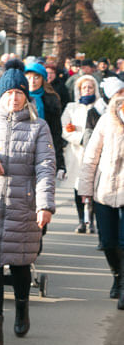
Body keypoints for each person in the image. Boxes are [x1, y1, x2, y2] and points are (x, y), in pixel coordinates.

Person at [0, 68, 56, 345]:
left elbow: (45, 167)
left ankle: (22, 306)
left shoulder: (38, 127)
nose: (14, 97)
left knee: (20, 262)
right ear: (0, 95)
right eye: (9, 92)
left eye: (19, 92)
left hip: (24, 205)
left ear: (26, 96)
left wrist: (45, 205)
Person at [79, 84, 124, 309]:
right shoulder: (106, 121)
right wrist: (85, 189)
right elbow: (91, 156)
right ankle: (117, 274)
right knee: (108, 242)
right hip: (104, 191)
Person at [61, 74, 100, 233]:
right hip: (77, 152)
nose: (87, 90)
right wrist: (81, 138)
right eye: (84, 87)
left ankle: (91, 220)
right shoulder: (72, 107)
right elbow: (65, 129)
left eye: (90, 87)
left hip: (96, 151)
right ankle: (81, 221)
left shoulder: (99, 106)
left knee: (93, 186)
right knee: (78, 186)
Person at [24, 61, 66, 177]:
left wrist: (60, 163)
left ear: (43, 79)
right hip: (22, 150)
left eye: (36, 77)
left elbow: (56, 132)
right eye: (28, 77)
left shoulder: (51, 99)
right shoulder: (17, 97)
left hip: (44, 150)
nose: (32, 81)